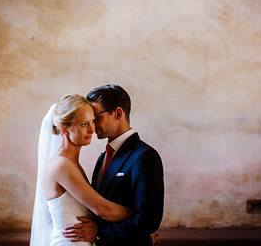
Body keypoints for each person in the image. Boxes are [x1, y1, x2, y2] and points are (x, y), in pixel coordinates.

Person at [62, 84, 164, 246]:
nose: (93, 126)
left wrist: (99, 234)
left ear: (118, 113)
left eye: (96, 117)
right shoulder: (103, 157)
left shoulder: (144, 156)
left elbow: (148, 219)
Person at [30, 94, 134, 246]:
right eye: (84, 125)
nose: (92, 129)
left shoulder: (72, 163)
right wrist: (141, 219)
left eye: (93, 121)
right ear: (65, 129)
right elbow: (102, 209)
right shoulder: (61, 165)